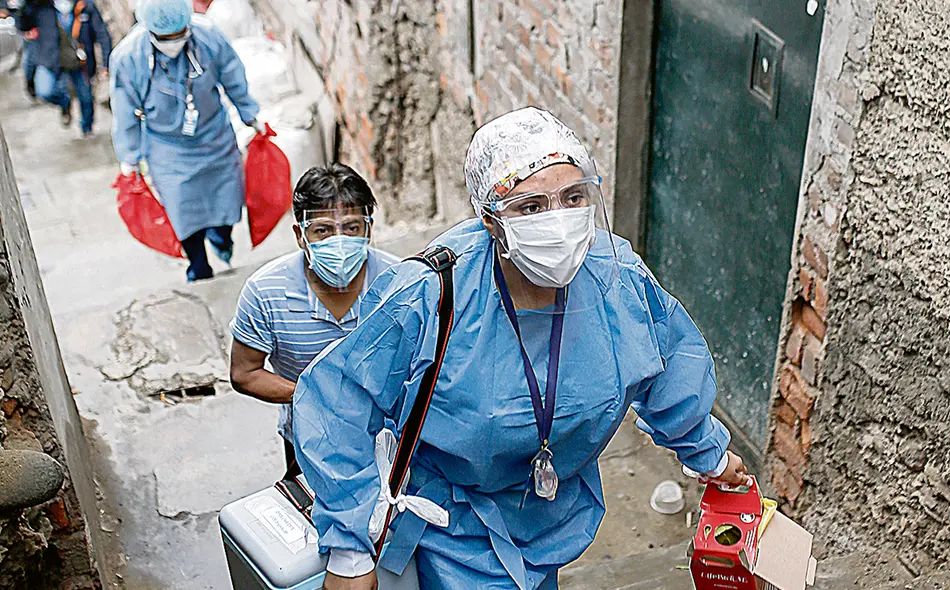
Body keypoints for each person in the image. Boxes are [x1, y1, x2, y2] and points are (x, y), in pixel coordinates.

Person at [293, 107, 751, 590]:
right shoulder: (433, 294)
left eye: (574, 197)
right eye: (531, 207)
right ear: (491, 221)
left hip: (552, 521)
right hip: (453, 533)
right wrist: (349, 550)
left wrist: (709, 455)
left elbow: (669, 366)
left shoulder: (617, 280)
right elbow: (336, 400)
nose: (558, 222)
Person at [229, 163, 399, 480]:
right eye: (322, 230)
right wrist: (312, 395)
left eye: (351, 228)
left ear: (369, 230)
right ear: (300, 235)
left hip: (390, 437)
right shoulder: (266, 292)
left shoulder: (399, 283)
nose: (339, 240)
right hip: (305, 436)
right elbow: (244, 373)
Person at [110, 0, 262, 282]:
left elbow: (232, 75)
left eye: (179, 35)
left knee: (227, 202)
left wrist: (250, 115)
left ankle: (221, 235)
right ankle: (199, 266)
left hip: (215, 136)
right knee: (184, 212)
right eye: (166, 38)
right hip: (167, 148)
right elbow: (124, 110)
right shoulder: (128, 58)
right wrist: (129, 159)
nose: (174, 43)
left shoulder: (208, 37)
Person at [15, 0, 109, 134]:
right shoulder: (41, 7)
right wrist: (24, 5)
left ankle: (87, 129)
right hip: (51, 60)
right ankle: (65, 102)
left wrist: (106, 62)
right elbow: (22, 25)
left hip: (79, 62)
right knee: (44, 91)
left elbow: (102, 33)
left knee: (86, 97)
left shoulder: (85, 6)